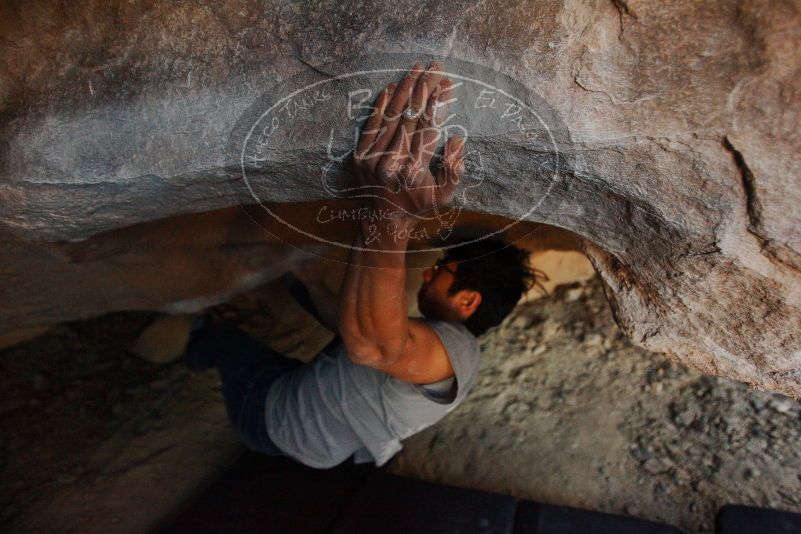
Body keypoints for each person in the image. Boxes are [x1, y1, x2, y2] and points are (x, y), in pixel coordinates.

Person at [185, 60, 539, 468]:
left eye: (444, 270)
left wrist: (391, 207)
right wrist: (312, 284)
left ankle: (195, 339)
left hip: (271, 418)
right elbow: (355, 328)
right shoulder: (434, 344)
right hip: (304, 402)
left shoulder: (456, 349)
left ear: (469, 300)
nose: (428, 271)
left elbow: (370, 344)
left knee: (224, 340)